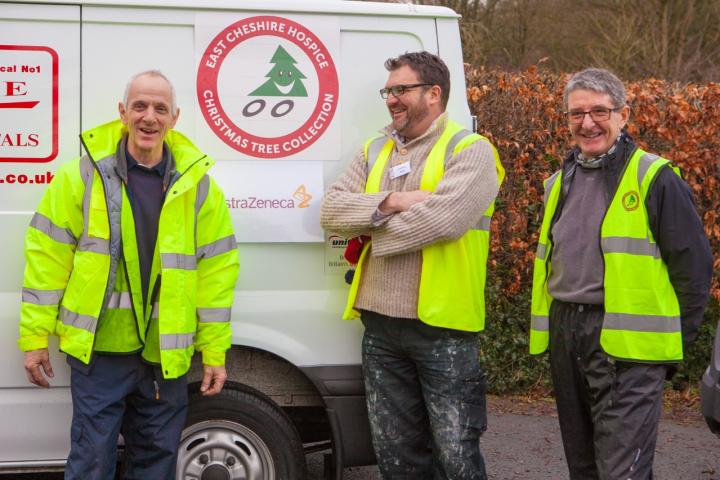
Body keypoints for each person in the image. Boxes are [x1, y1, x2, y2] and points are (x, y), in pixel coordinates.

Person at [19, 70, 239, 479]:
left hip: (163, 358)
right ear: (123, 112)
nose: (149, 117)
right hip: (100, 353)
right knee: (91, 463)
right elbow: (46, 259)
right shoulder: (81, 176)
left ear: (174, 117)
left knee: (155, 463)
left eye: (160, 108)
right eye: (139, 106)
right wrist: (34, 337)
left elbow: (216, 274)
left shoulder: (198, 188)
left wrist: (214, 350)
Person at [320, 51, 503, 479]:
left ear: (434, 94)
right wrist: (393, 201)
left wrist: (369, 229)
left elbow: (443, 221)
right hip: (380, 325)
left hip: (444, 329)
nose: (391, 99)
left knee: (456, 456)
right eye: (389, 91)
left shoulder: (471, 151)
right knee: (395, 455)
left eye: (401, 89)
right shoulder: (375, 148)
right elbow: (330, 212)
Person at [529, 68, 713, 479]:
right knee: (584, 467)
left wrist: (672, 344)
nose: (587, 123)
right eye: (577, 114)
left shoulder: (655, 177)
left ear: (623, 114)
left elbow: (694, 269)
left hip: (631, 350)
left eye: (599, 111)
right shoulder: (559, 182)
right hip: (568, 335)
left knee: (620, 471)